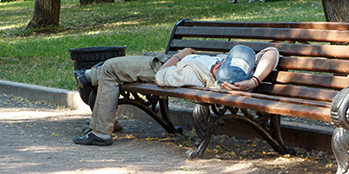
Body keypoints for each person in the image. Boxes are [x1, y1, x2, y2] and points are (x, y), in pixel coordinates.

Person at [72, 45, 279, 146]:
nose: (218, 63)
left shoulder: (195, 74)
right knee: (104, 72)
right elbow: (272, 52)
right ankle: (90, 82)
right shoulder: (242, 69)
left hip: (161, 65)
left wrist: (182, 54)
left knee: (109, 68)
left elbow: (161, 76)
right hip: (166, 59)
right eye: (222, 63)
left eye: (218, 69)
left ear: (220, 81)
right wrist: (254, 81)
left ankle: (100, 131)